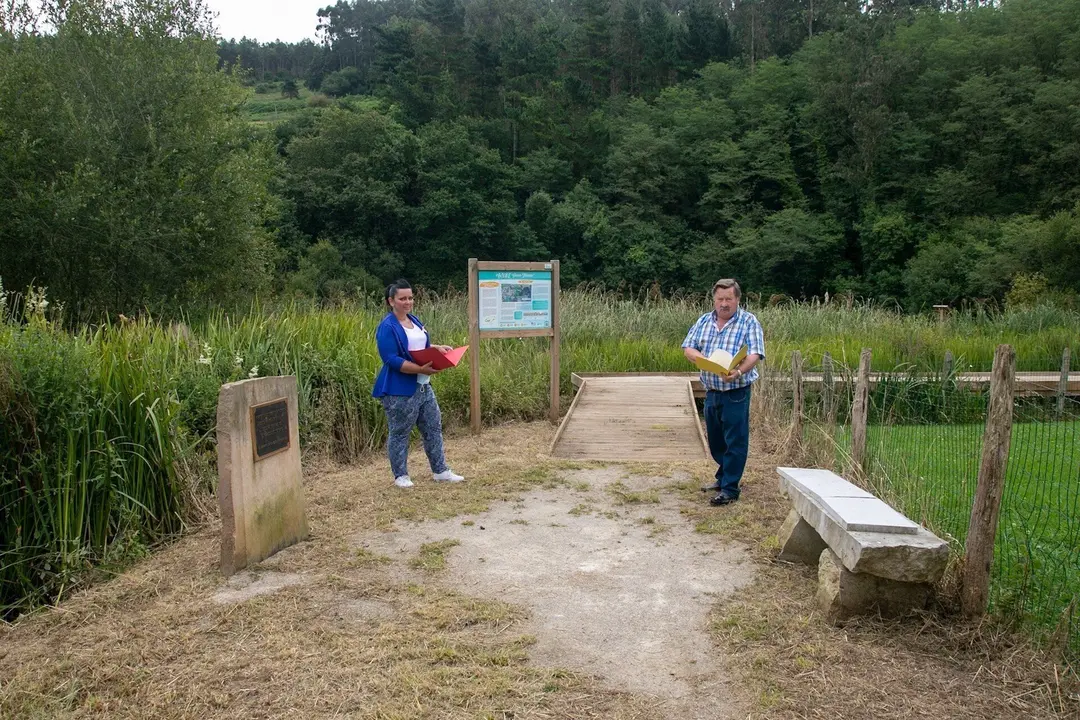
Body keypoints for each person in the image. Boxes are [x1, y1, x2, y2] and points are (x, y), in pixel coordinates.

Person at [372, 279, 465, 488]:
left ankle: (440, 470)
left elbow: (416, 346)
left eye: (410, 298)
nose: (407, 302)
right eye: (402, 298)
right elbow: (392, 359)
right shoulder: (387, 327)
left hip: (424, 386)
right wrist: (420, 369)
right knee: (400, 432)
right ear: (391, 301)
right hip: (400, 389)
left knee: (433, 427)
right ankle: (401, 475)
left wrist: (437, 348)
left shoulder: (414, 320)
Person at [682, 279, 765, 506]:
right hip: (711, 389)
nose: (724, 304)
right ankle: (722, 478)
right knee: (716, 440)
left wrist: (738, 372)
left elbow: (755, 354)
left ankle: (730, 488)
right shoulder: (703, 321)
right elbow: (688, 346)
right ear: (714, 300)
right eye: (720, 299)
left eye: (729, 299)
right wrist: (701, 360)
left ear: (738, 299)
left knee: (735, 440)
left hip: (736, 389)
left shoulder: (749, 322)